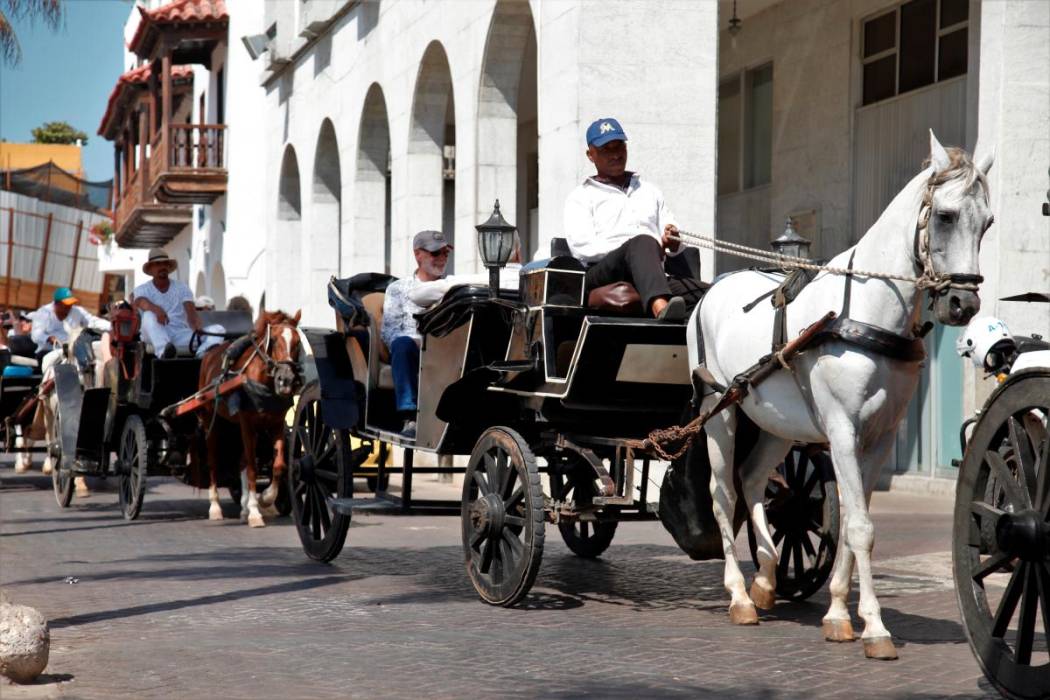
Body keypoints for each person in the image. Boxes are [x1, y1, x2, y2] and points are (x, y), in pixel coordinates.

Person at [563, 117, 704, 322]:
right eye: (606, 150)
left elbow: (674, 239)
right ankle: (661, 310)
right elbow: (582, 248)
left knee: (712, 295)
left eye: (619, 147)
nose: (615, 155)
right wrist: (634, 249)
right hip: (603, 272)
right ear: (590, 155)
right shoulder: (580, 196)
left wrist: (672, 240)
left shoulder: (649, 191)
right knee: (642, 241)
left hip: (651, 273)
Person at [381, 230, 452, 437]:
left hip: (446, 349)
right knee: (401, 343)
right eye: (435, 253)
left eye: (445, 253)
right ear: (418, 255)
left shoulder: (452, 288)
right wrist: (419, 342)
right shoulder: (398, 289)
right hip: (412, 350)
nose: (442, 259)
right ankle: (409, 416)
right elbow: (389, 331)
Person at [131, 249, 221, 358]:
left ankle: (201, 354)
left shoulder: (182, 288)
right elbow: (140, 301)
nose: (162, 267)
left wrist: (197, 325)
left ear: (169, 267)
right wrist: (156, 309)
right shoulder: (142, 289)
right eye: (158, 264)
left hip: (179, 335)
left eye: (165, 263)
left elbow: (191, 313)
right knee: (149, 315)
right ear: (150, 269)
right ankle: (164, 351)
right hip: (153, 336)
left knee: (218, 329)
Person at [30, 288, 111, 370]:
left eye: (71, 304)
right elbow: (36, 334)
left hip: (70, 350)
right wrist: (48, 338)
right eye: (66, 304)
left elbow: (92, 321)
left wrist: (112, 326)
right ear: (57, 304)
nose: (69, 306)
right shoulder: (44, 313)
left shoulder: (77, 311)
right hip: (48, 350)